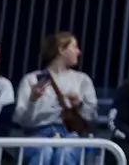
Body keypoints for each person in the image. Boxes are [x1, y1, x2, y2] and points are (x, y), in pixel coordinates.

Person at [15, 32, 98, 165]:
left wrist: (79, 105)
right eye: (74, 47)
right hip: (37, 135)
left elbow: (92, 117)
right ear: (61, 49)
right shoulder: (31, 79)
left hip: (70, 134)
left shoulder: (82, 80)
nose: (79, 52)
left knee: (65, 152)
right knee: (45, 151)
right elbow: (22, 121)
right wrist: (32, 100)